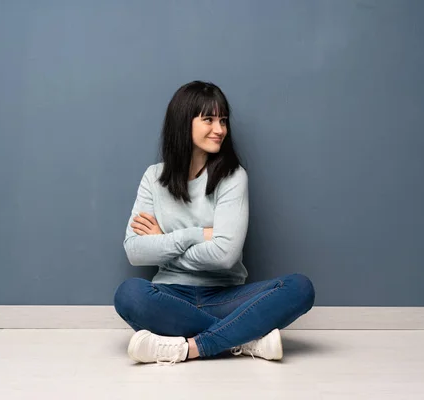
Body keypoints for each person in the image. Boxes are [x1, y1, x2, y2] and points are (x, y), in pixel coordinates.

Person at [114, 81, 315, 365]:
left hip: (226, 297)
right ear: (184, 122)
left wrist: (164, 241)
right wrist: (197, 235)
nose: (219, 129)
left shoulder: (233, 176)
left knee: (300, 287)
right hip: (171, 296)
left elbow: (224, 257)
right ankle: (243, 340)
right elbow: (136, 252)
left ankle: (191, 348)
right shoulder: (153, 177)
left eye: (223, 120)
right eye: (208, 119)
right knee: (129, 294)